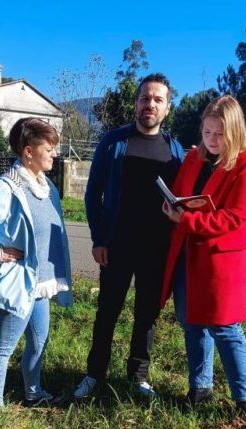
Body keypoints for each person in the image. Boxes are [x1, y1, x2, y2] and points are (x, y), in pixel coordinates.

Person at [74, 73, 185, 399]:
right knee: (107, 311)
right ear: (136, 103)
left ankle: (138, 378)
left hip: (157, 248)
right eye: (145, 98)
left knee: (147, 315)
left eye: (157, 99)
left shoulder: (175, 149)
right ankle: (94, 373)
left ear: (167, 108)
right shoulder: (113, 142)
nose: (150, 104)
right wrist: (98, 239)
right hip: (117, 245)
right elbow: (92, 195)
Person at [160, 96, 246, 423]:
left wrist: (186, 220)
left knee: (225, 329)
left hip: (221, 261)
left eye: (219, 133)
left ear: (234, 132)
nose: (212, 139)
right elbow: (180, 193)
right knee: (192, 323)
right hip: (188, 255)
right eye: (207, 131)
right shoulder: (194, 158)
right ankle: (199, 387)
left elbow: (235, 218)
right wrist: (172, 207)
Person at [0, 117, 73, 407]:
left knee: (39, 342)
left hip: (41, 283)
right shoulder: (6, 188)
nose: (55, 154)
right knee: (3, 348)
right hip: (18, 282)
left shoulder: (48, 188)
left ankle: (33, 393)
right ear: (28, 151)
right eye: (49, 148)